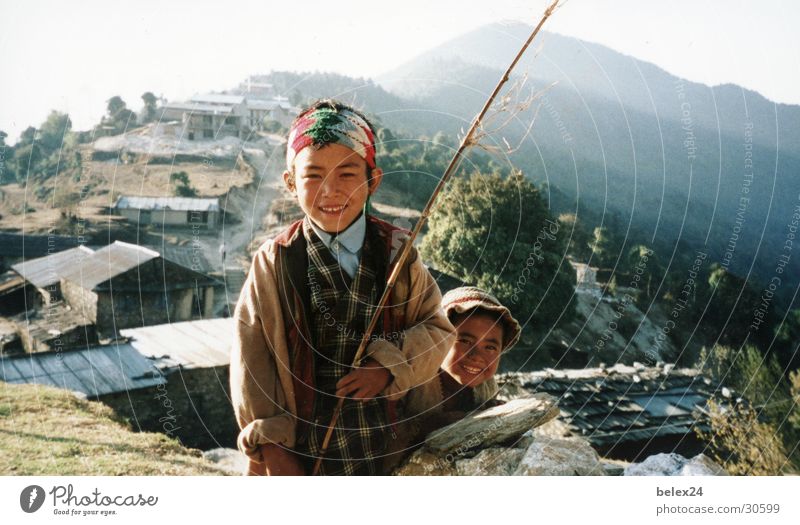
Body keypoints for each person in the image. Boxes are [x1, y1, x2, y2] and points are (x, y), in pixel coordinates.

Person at [229, 99, 454, 475]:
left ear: (373, 180)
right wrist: (270, 442)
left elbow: (437, 329)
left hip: (391, 446)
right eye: (313, 176)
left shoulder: (399, 253)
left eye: (347, 174)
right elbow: (253, 360)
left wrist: (390, 366)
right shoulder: (275, 261)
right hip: (303, 450)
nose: (330, 191)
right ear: (290, 184)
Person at [383, 286, 521, 472]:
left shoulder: (486, 386)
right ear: (439, 339)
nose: (477, 356)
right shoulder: (408, 379)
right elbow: (382, 449)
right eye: (464, 341)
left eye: (490, 347)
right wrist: (432, 427)